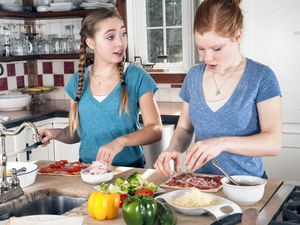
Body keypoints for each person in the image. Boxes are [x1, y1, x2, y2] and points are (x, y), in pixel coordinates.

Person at [154, 0, 282, 178]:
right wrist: (173, 148)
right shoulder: (194, 76)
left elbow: (273, 143)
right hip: (201, 185)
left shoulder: (262, 77)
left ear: (238, 36)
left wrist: (221, 143)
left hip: (245, 187)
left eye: (217, 48)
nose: (207, 58)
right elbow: (184, 128)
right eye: (201, 48)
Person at [39, 7, 162, 167]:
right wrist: (56, 133)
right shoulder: (77, 81)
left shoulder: (137, 76)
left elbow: (155, 129)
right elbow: (77, 132)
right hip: (87, 171)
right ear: (91, 43)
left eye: (123, 34)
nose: (120, 42)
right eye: (110, 37)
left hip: (129, 171)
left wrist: (121, 141)